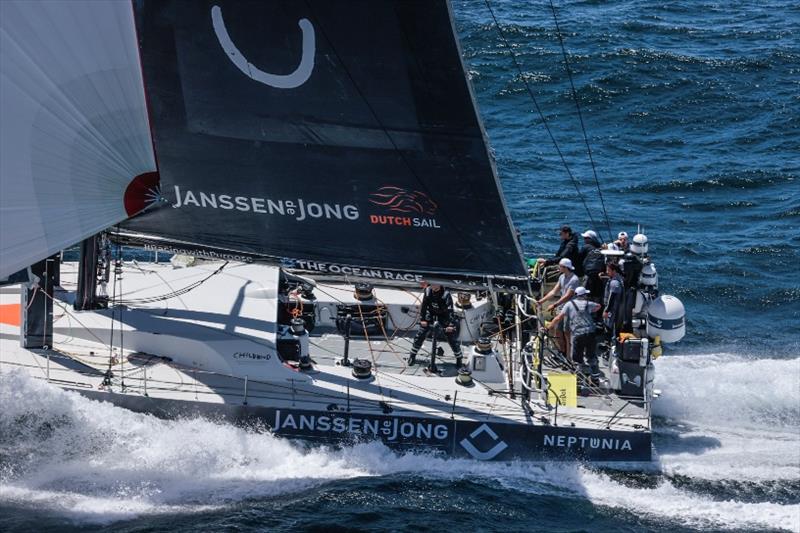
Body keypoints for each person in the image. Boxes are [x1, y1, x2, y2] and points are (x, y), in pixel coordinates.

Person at [548, 286, 602, 379]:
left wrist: (548, 327)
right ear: (584, 295)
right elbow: (598, 306)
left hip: (578, 334)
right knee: (591, 356)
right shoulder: (588, 303)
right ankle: (595, 378)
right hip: (591, 333)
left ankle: (578, 379)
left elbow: (558, 318)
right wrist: (590, 311)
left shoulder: (569, 304)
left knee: (577, 358)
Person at [408, 284, 463, 367]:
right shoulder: (427, 291)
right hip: (431, 314)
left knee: (451, 337)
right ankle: (412, 355)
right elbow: (424, 307)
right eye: (432, 284)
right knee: (421, 333)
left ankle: (459, 359)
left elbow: (450, 310)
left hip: (444, 316)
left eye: (436, 284)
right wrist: (423, 319)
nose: (434, 286)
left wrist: (450, 325)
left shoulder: (446, 294)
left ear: (440, 285)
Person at [537, 257, 580, 357]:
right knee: (558, 332)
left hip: (570, 309)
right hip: (561, 308)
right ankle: (562, 352)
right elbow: (554, 291)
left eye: (560, 266)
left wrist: (555, 304)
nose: (558, 268)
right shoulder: (562, 277)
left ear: (565, 267)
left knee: (567, 334)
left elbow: (568, 296)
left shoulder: (574, 279)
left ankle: (569, 358)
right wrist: (541, 301)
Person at [578, 230, 605, 300]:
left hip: (588, 274)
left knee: (585, 293)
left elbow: (578, 257)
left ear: (590, 239)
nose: (584, 240)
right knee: (596, 295)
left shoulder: (586, 247)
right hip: (598, 275)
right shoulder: (599, 247)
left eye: (585, 238)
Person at [602, 262, 624, 341]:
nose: (607, 272)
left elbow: (612, 297)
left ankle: (609, 342)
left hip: (612, 309)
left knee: (609, 325)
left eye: (608, 270)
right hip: (615, 308)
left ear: (614, 271)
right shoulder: (618, 278)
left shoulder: (614, 283)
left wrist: (607, 311)